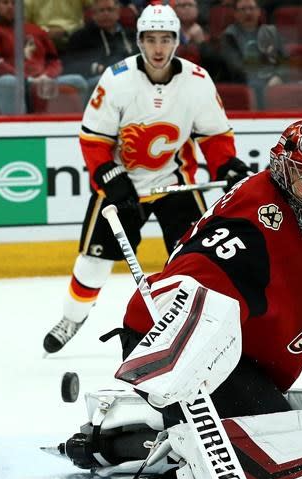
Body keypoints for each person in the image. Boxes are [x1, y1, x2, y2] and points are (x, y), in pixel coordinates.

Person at [53, 120, 302, 479]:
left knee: (267, 426)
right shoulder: (259, 214)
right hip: (171, 339)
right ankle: (172, 478)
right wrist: (181, 354)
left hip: (234, 349)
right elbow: (197, 274)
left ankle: (109, 443)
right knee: (256, 441)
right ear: (284, 171)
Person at [43, 3, 250, 354]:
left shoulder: (197, 81)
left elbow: (214, 137)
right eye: (151, 39)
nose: (158, 48)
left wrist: (226, 165)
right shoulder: (118, 79)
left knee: (197, 260)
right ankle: (73, 317)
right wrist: (109, 175)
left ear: (176, 41)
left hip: (175, 182)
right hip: (123, 184)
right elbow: (94, 138)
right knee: (93, 262)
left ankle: (193, 326)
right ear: (139, 40)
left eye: (165, 39)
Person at [0, 0, 89, 115]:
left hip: (40, 82)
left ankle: (72, 129)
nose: (10, 7)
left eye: (14, 3)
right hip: (8, 85)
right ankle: (18, 130)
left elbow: (53, 60)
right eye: (5, 3)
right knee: (8, 83)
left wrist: (46, 76)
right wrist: (26, 79)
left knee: (77, 81)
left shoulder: (35, 29)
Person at [64, 0, 136, 95]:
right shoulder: (80, 36)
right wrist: (96, 68)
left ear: (118, 12)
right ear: (93, 14)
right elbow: (70, 64)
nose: (106, 14)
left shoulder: (131, 34)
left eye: (110, 10)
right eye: (101, 10)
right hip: (96, 81)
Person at [220, 0, 287, 93]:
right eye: (243, 9)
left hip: (272, 85)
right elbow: (236, 66)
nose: (248, 12)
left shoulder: (272, 32)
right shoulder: (229, 35)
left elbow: (283, 61)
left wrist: (278, 76)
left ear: (259, 11)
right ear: (235, 13)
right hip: (243, 86)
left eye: (251, 8)